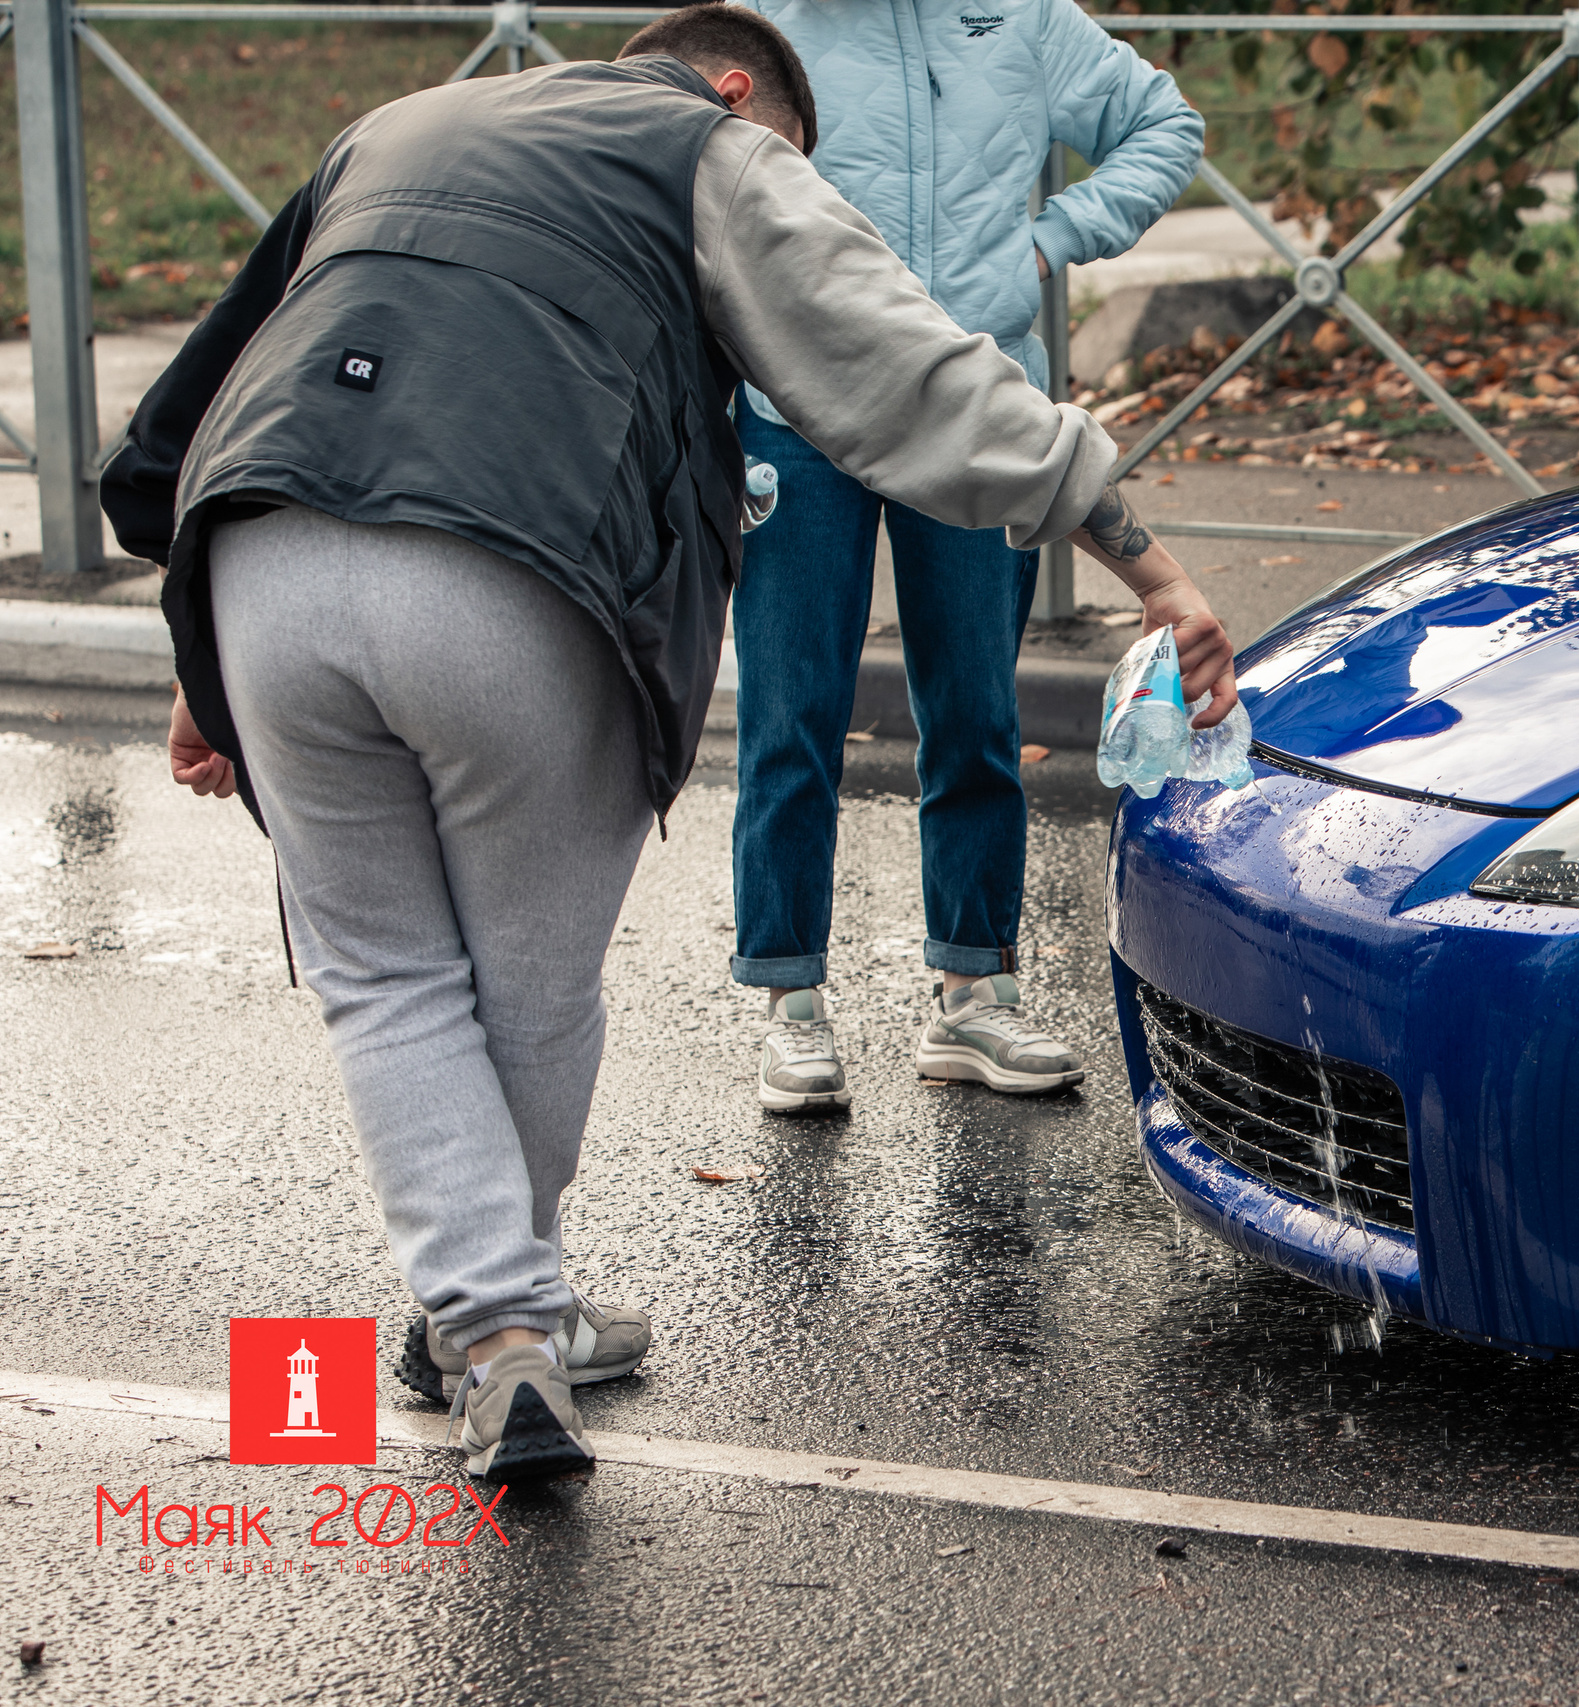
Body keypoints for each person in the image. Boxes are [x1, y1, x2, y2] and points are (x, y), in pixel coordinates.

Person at [107, 4, 1233, 1483]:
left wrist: (212, 656)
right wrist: (1148, 561)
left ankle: (491, 1316)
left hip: (262, 565)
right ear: (731, 91)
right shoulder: (711, 145)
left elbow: (190, 413)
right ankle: (510, 1328)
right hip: (509, 563)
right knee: (526, 974)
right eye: (798, 165)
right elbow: (915, 374)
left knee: (384, 979)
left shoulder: (399, 127)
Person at [732, 0, 1203, 1109]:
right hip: (797, 402)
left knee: (977, 711)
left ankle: (975, 995)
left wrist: (1048, 236)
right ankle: (791, 1003)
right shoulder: (768, 20)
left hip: (977, 401)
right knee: (790, 713)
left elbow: (1163, 125)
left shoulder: (1021, 17)